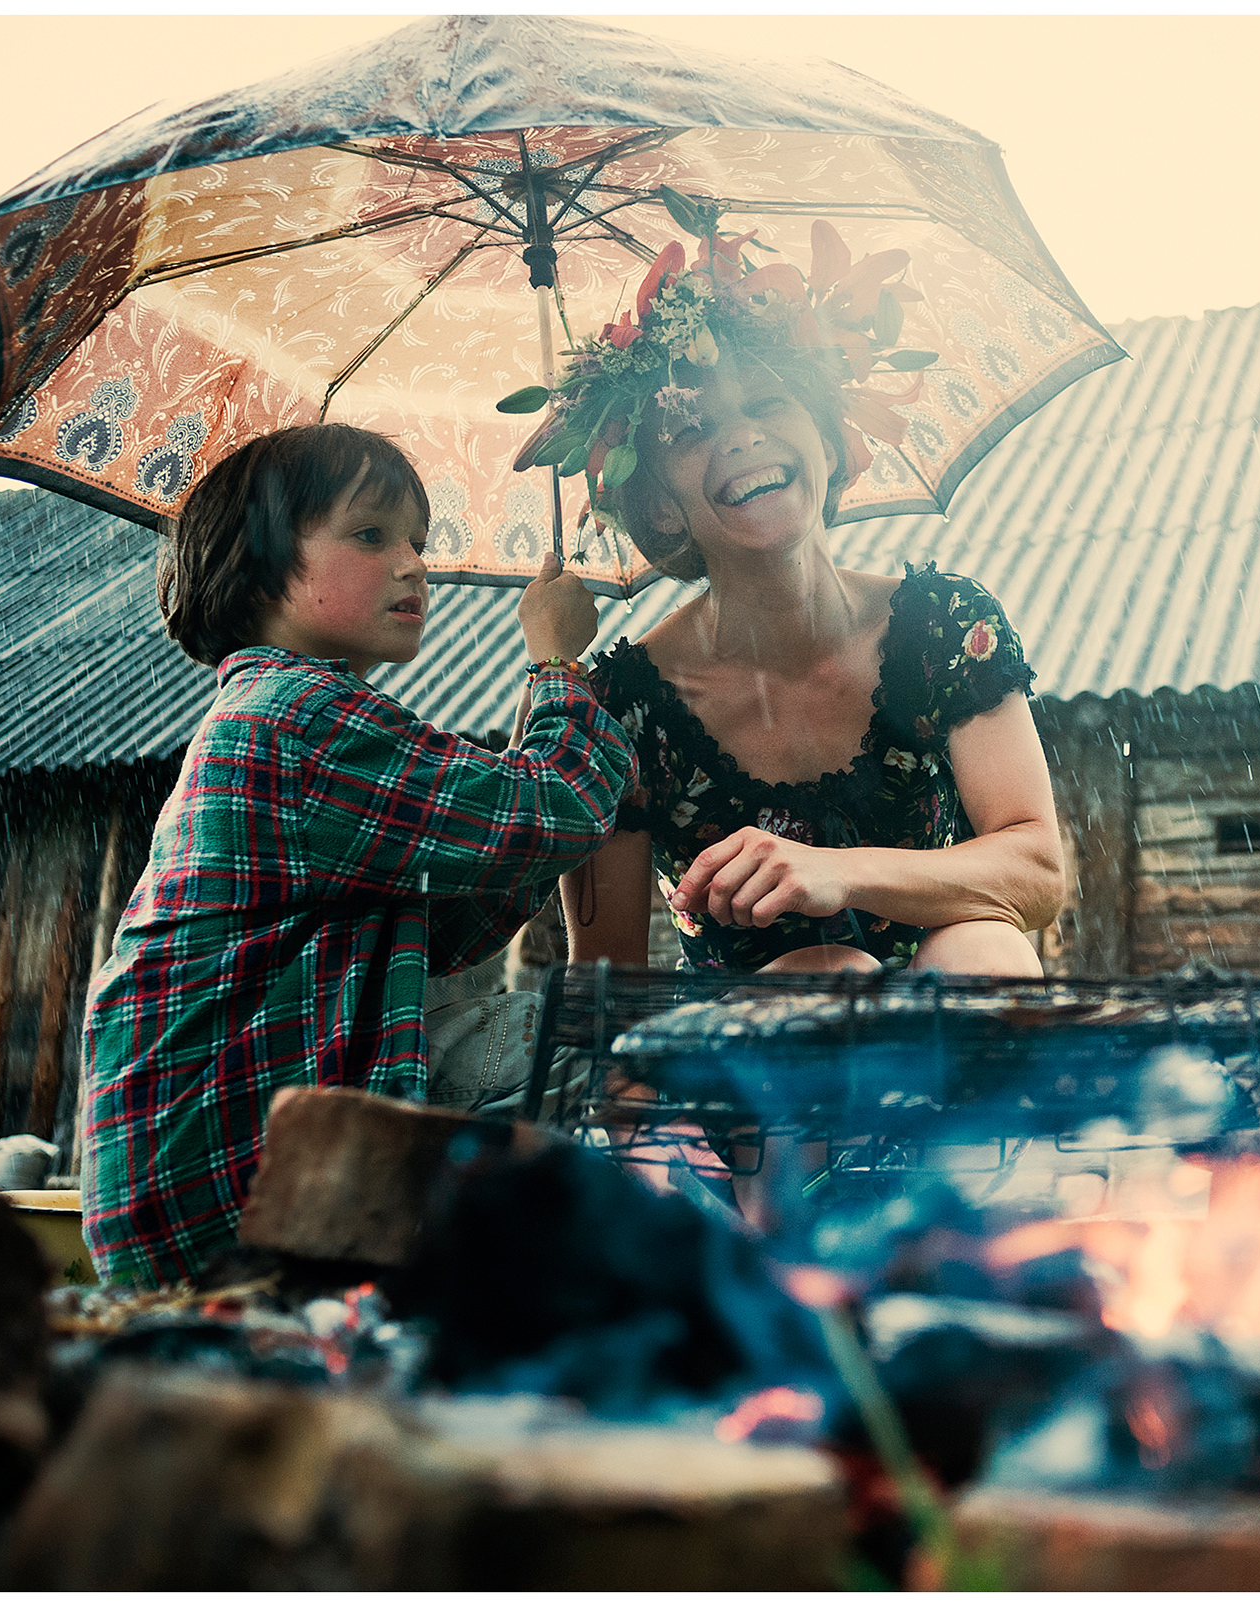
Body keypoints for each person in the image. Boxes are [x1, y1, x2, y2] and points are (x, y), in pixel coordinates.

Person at [78, 424, 635, 1287]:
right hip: (226, 1196)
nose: (415, 562)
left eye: (418, 538)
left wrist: (541, 778)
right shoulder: (296, 718)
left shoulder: (286, 712)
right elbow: (551, 807)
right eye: (371, 535)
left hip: (213, 1184)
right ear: (257, 561)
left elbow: (452, 920)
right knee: (636, 1052)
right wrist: (559, 660)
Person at [525, 226, 1065, 979]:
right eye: (695, 427)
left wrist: (839, 871)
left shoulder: (944, 627)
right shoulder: (626, 709)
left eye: (769, 404)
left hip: (960, 1027)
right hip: (753, 1070)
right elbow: (606, 976)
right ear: (660, 507)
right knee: (827, 973)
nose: (743, 438)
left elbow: (1038, 873)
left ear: (826, 437)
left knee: (987, 949)